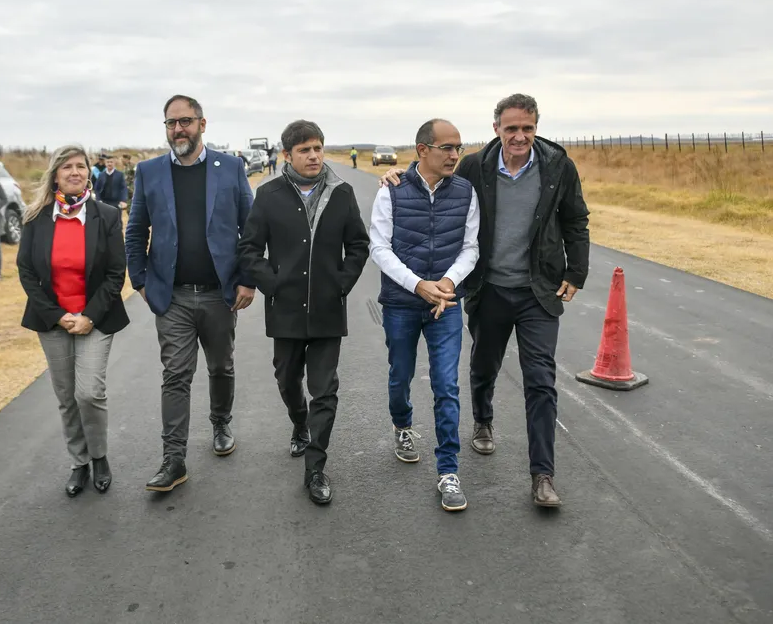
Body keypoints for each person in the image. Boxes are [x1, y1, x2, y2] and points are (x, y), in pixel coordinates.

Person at [380, 94, 590, 507]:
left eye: (527, 128)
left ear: (536, 127)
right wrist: (396, 174)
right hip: (488, 289)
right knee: (483, 365)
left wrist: (575, 270)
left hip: (538, 291)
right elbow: (433, 175)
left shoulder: (557, 166)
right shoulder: (475, 166)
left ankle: (542, 476)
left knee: (540, 380)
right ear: (496, 128)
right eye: (511, 128)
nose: (519, 136)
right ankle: (484, 421)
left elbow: (575, 218)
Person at [126, 94, 256, 493]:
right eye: (170, 123)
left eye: (185, 121)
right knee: (176, 375)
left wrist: (248, 280)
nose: (178, 129)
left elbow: (250, 232)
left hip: (220, 294)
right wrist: (142, 282)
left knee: (221, 367)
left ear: (202, 123)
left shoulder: (231, 168)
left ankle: (220, 422)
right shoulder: (148, 172)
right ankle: (173, 459)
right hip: (173, 297)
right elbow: (135, 231)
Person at [238, 120, 370, 505]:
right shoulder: (269, 195)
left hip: (329, 311)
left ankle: (315, 468)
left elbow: (358, 246)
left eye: (318, 148)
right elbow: (249, 249)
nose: (313, 156)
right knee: (286, 379)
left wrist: (341, 284)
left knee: (325, 390)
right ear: (287, 155)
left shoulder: (341, 194)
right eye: (304, 150)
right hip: (287, 312)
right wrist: (273, 283)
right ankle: (299, 423)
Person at [369, 119, 479, 512]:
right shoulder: (392, 191)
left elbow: (471, 247)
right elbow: (379, 247)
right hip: (401, 303)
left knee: (446, 384)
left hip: (445, 304)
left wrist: (446, 283)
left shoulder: (466, 192)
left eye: (458, 148)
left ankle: (448, 471)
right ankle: (402, 426)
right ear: (422, 150)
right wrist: (418, 284)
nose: (454, 155)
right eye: (446, 148)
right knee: (400, 375)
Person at [17, 145, 130, 498]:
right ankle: (78, 461)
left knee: (89, 393)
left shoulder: (106, 216)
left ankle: (99, 456)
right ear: (55, 174)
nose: (75, 172)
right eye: (67, 167)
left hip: (94, 319)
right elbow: (26, 271)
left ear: (88, 173)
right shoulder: (36, 218)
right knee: (66, 396)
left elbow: (116, 272)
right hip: (53, 321)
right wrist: (58, 315)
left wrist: (89, 316)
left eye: (80, 166)